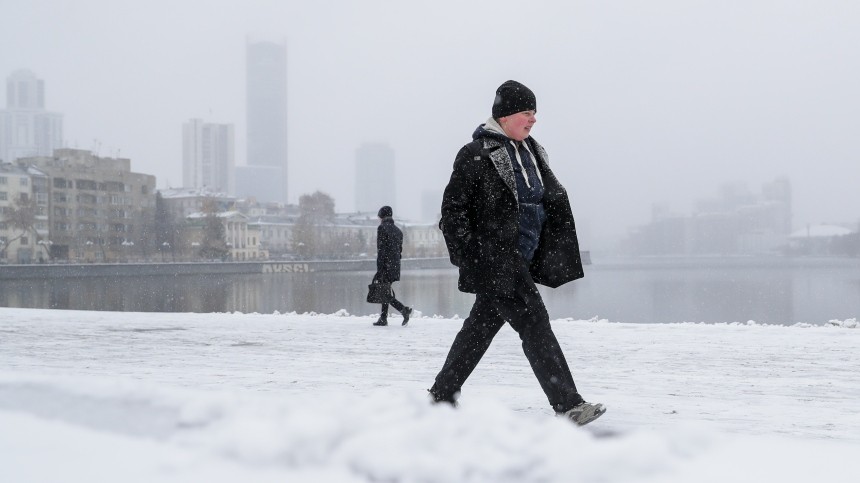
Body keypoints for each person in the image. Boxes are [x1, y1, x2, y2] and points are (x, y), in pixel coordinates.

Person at [428, 80, 605, 426]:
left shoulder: (533, 151)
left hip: (521, 259)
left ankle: (441, 393)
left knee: (479, 328)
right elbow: (452, 213)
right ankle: (568, 404)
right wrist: (470, 257)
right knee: (535, 324)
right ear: (506, 114)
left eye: (535, 112)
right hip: (495, 260)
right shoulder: (475, 153)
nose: (534, 118)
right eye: (527, 111)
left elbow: (543, 201)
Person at [372, 205, 413, 326]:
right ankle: (383, 318)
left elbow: (381, 250)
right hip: (395, 266)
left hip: (385, 265)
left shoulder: (382, 228)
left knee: (385, 293)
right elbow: (399, 251)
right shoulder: (398, 231)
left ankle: (403, 310)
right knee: (386, 291)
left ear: (382, 216)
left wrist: (380, 269)